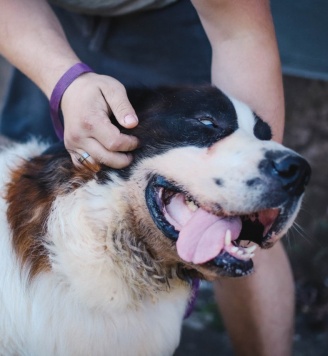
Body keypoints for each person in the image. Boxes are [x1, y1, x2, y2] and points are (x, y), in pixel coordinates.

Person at [0, 0, 293, 355]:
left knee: (239, 206)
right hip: (42, 10)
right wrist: (66, 82)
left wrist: (255, 187)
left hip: (175, 14)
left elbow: (241, 34)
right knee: (32, 185)